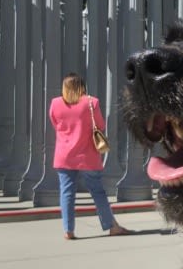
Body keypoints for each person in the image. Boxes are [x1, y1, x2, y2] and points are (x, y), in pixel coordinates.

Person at [49, 73, 132, 240]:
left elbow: (55, 124)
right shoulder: (91, 102)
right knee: (98, 192)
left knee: (66, 193)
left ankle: (68, 230)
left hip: (64, 155)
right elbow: (100, 125)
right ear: (82, 86)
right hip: (87, 155)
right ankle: (111, 226)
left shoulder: (55, 103)